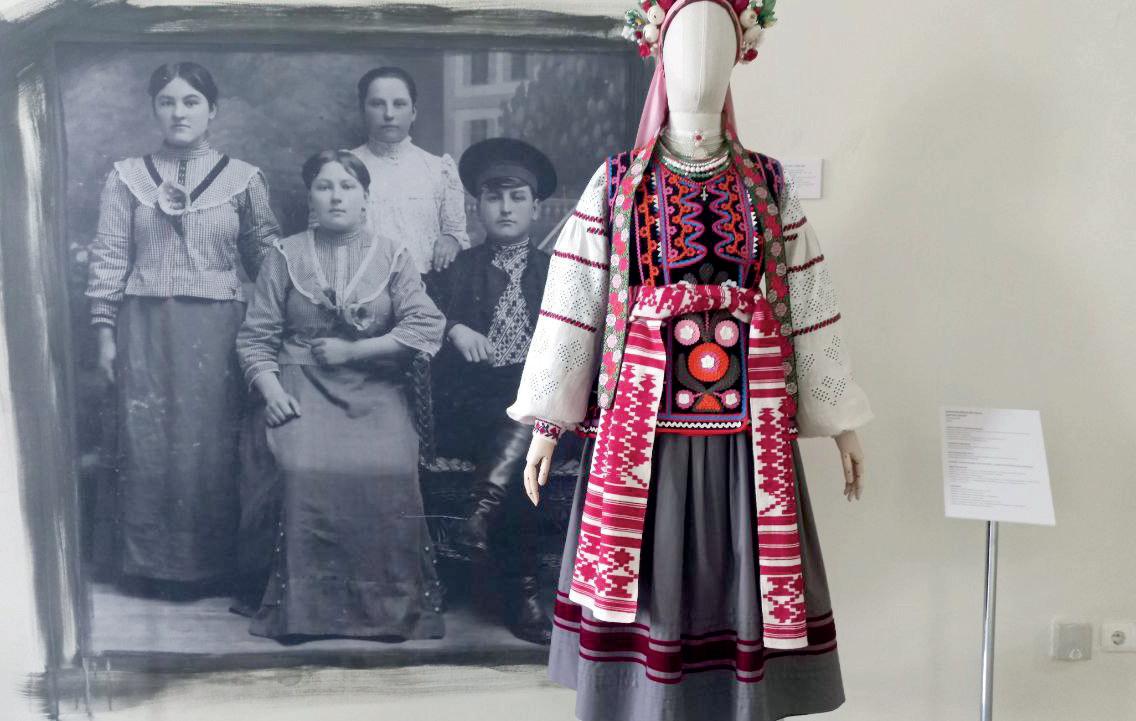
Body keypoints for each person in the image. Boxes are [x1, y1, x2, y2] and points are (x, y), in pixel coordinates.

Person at [508, 2, 874, 719]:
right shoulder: (617, 183)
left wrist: (841, 419)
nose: (699, 66)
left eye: (716, 47)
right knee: (646, 573)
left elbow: (807, 297)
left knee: (742, 572)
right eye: (684, 45)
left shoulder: (767, 183)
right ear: (660, 56)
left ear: (739, 57)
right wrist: (548, 423)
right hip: (641, 429)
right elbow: (577, 298)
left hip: (749, 435)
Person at [235, 150, 446, 641]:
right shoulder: (284, 255)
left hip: (374, 387)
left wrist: (357, 351)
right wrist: (271, 391)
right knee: (303, 470)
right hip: (300, 386)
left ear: (365, 198)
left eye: (347, 187)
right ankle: (305, 611)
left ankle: (387, 607)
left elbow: (425, 323)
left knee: (391, 468)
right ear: (310, 197)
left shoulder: (393, 255)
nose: (336, 196)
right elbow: (255, 337)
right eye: (325, 186)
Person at [85, 61, 280, 588]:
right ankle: (148, 565)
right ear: (154, 109)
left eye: (191, 101)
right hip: (145, 327)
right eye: (167, 101)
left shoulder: (244, 179)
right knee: (147, 442)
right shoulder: (126, 177)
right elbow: (109, 256)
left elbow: (269, 263)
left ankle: (210, 566)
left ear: (212, 110)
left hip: (219, 329)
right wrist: (104, 334)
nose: (179, 112)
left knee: (211, 446)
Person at [430, 137, 557, 645]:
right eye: (493, 197)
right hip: (471, 406)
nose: (505, 208)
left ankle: (480, 518)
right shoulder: (455, 270)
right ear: (476, 207)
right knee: (524, 438)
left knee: (531, 422)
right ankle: (521, 592)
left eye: (517, 197)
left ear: (535, 207)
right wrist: (452, 328)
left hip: (543, 407)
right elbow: (414, 313)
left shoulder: (558, 273)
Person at [349, 66, 469, 276]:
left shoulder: (439, 169)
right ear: (362, 111)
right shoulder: (344, 167)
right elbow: (321, 239)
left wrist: (452, 239)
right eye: (377, 104)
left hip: (428, 286)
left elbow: (457, 233)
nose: (389, 114)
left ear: (413, 112)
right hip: (362, 286)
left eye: (399, 104)